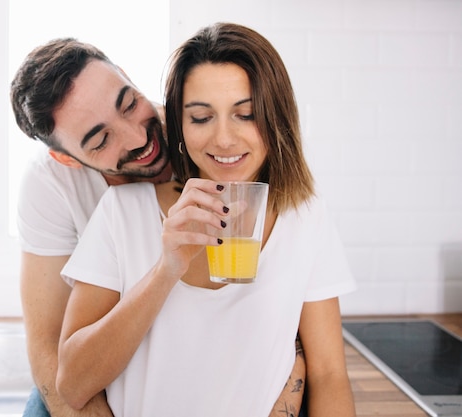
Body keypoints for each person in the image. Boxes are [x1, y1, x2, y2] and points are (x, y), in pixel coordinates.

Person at [56, 22, 356, 417]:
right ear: (179, 126)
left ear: (276, 118)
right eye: (201, 118)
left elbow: (330, 374)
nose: (225, 139)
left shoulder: (305, 216)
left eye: (246, 114)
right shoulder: (122, 212)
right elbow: (73, 386)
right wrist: (167, 268)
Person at [11, 37, 306, 417]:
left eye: (130, 103)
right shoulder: (49, 185)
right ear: (66, 159)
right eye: (101, 140)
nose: (138, 137)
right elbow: (49, 347)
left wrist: (289, 388)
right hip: (105, 353)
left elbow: (283, 299)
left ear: (128, 77)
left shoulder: (207, 137)